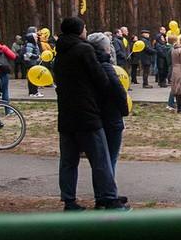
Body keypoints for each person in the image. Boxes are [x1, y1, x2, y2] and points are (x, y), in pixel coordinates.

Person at [54, 16, 128, 211]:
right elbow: (100, 79)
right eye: (84, 28)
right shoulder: (84, 50)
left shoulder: (59, 52)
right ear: (79, 30)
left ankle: (69, 201)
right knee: (100, 159)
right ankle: (109, 198)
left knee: (68, 161)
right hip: (87, 114)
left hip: (66, 114)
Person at [88, 33, 129, 175]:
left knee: (100, 158)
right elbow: (119, 91)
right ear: (105, 48)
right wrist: (124, 110)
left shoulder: (87, 66)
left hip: (94, 115)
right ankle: (108, 186)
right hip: (111, 116)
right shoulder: (106, 66)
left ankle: (103, 185)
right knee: (110, 157)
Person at [23, 27, 42, 97]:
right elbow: (28, 54)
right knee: (33, 78)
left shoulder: (33, 44)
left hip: (34, 63)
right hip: (32, 64)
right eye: (35, 37)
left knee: (33, 78)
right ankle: (34, 92)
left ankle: (33, 92)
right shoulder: (30, 44)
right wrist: (37, 56)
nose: (37, 38)